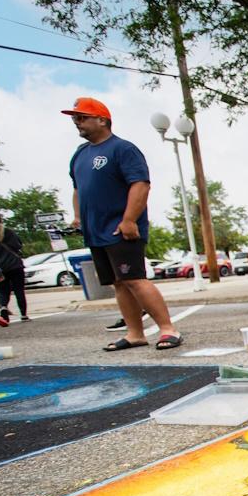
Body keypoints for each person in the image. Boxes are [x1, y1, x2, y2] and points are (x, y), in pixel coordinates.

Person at [62, 97, 182, 351]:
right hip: (95, 230)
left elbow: (140, 184)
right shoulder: (80, 155)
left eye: (82, 117)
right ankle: (135, 333)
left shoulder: (122, 149)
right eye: (75, 118)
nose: (77, 122)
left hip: (120, 227)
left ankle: (168, 329)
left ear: (102, 120)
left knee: (134, 278)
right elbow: (78, 189)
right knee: (118, 282)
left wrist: (129, 219)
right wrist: (78, 217)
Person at [0, 213, 28, 322]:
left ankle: (3, 307)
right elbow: (19, 245)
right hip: (15, 265)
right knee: (19, 290)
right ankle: (23, 314)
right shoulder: (10, 232)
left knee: (3, 290)